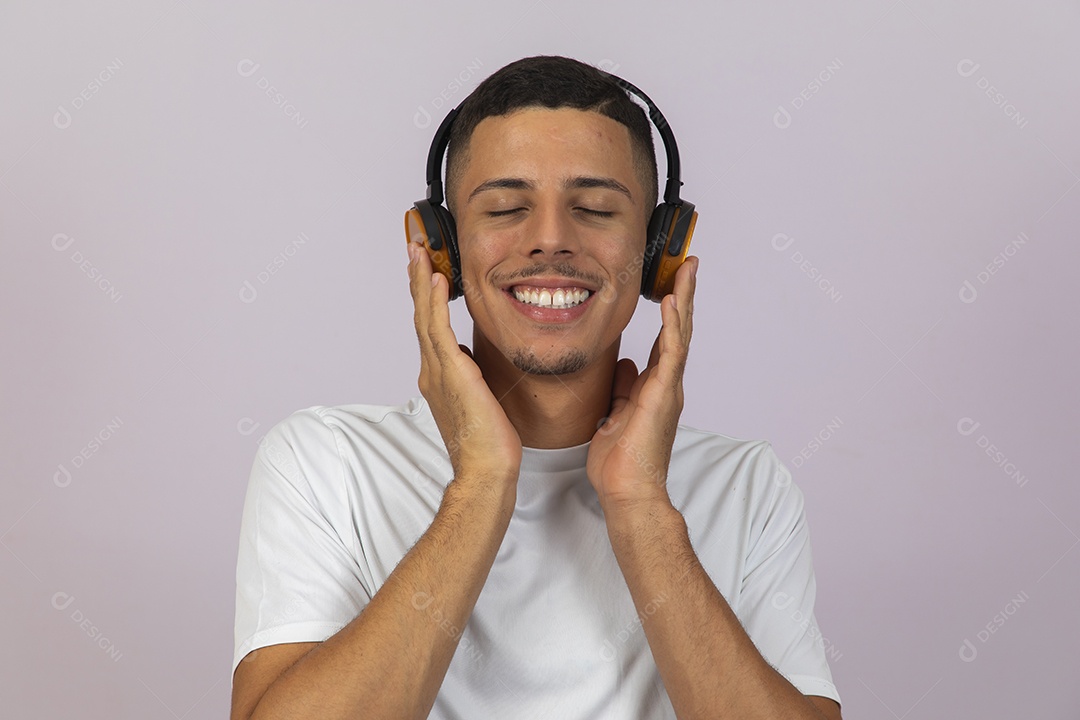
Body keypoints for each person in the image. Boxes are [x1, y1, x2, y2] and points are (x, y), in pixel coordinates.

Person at [230, 55, 842, 720]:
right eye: (506, 207)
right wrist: (483, 481)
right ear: (442, 251)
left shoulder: (748, 486)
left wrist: (639, 503)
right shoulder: (325, 463)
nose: (551, 239)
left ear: (659, 252)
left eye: (596, 208)